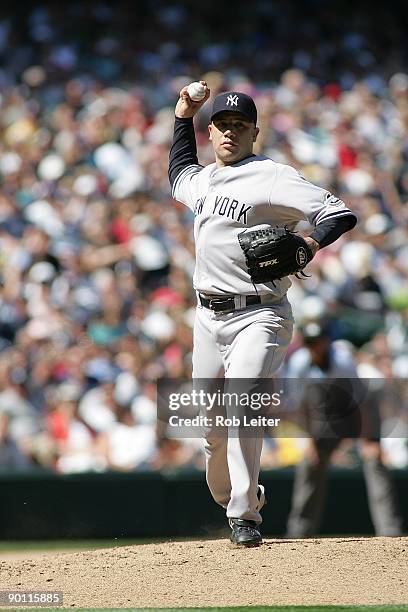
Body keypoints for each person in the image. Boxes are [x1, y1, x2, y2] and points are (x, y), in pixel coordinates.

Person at [168, 82, 357, 547]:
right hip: (208, 318)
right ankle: (236, 494)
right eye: (222, 126)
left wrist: (310, 244)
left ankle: (244, 515)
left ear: (254, 132)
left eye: (239, 126)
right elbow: (177, 172)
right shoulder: (203, 180)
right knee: (211, 429)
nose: (230, 133)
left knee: (242, 401)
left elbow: (340, 212)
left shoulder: (273, 176)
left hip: (261, 314)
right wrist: (181, 116)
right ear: (210, 132)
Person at [285, 321, 403, 538]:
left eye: (317, 343)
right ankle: (298, 534)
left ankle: (390, 532)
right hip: (323, 416)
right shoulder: (299, 363)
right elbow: (300, 408)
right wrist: (310, 441)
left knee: (374, 461)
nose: (314, 348)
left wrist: (368, 440)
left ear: (326, 342)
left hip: (354, 413)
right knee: (309, 464)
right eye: (310, 343)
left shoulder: (342, 361)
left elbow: (361, 403)